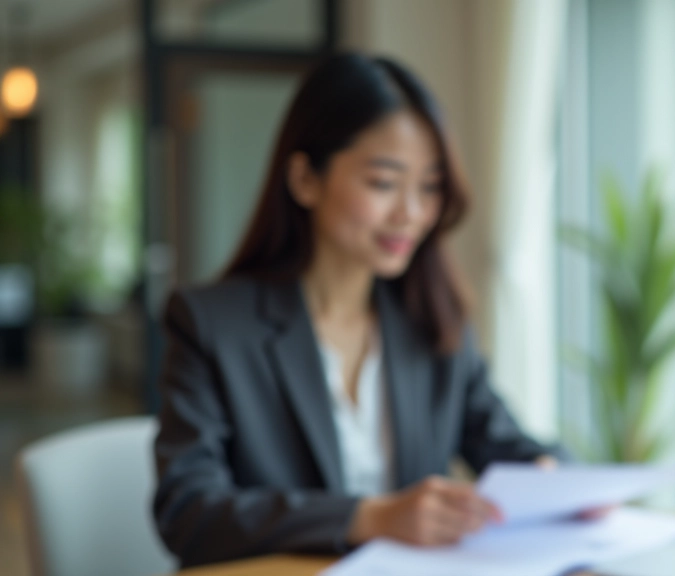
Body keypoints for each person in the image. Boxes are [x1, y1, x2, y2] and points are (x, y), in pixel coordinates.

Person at [151, 52, 568, 569]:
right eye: (383, 183)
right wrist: (367, 518)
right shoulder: (211, 325)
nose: (411, 213)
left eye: (430, 187)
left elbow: (507, 446)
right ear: (305, 179)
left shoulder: (432, 320)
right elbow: (188, 512)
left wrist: (555, 479)